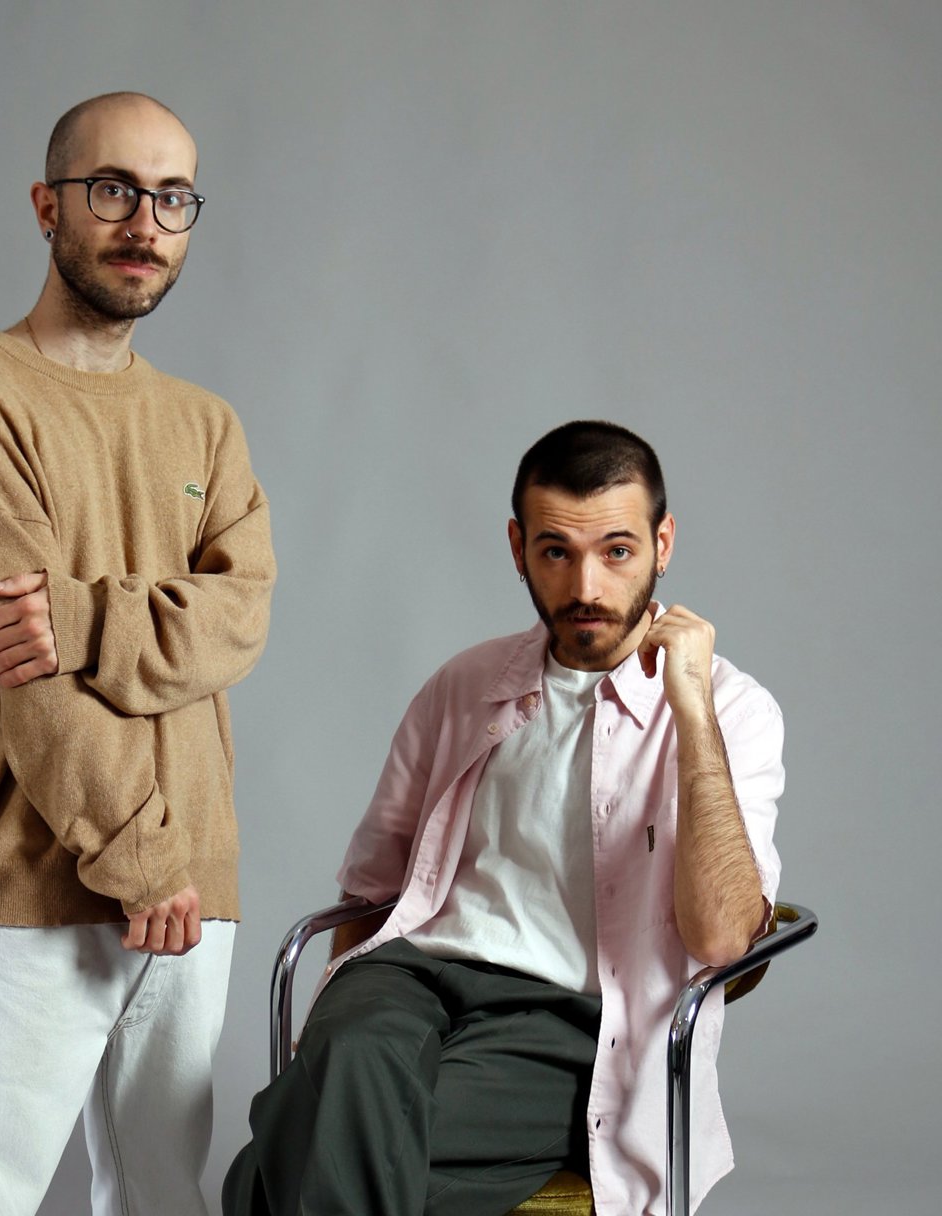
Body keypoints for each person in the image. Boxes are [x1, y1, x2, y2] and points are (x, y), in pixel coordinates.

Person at [223, 421, 781, 1216]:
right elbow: (374, 884)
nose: (587, 585)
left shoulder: (734, 709)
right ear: (518, 549)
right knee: (346, 1070)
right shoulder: (466, 683)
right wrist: (323, 1040)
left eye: (617, 551)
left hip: (568, 1016)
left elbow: (723, 939)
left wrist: (689, 704)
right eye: (557, 551)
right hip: (410, 973)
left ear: (662, 545)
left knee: (281, 1162)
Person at [0, 92, 276, 1216]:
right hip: (30, 884)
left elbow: (242, 615)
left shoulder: (207, 424)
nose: (144, 224)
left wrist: (85, 616)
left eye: (173, 198)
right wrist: (139, 858)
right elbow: (27, 677)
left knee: (163, 1198)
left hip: (195, 888)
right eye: (113, 190)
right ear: (47, 206)